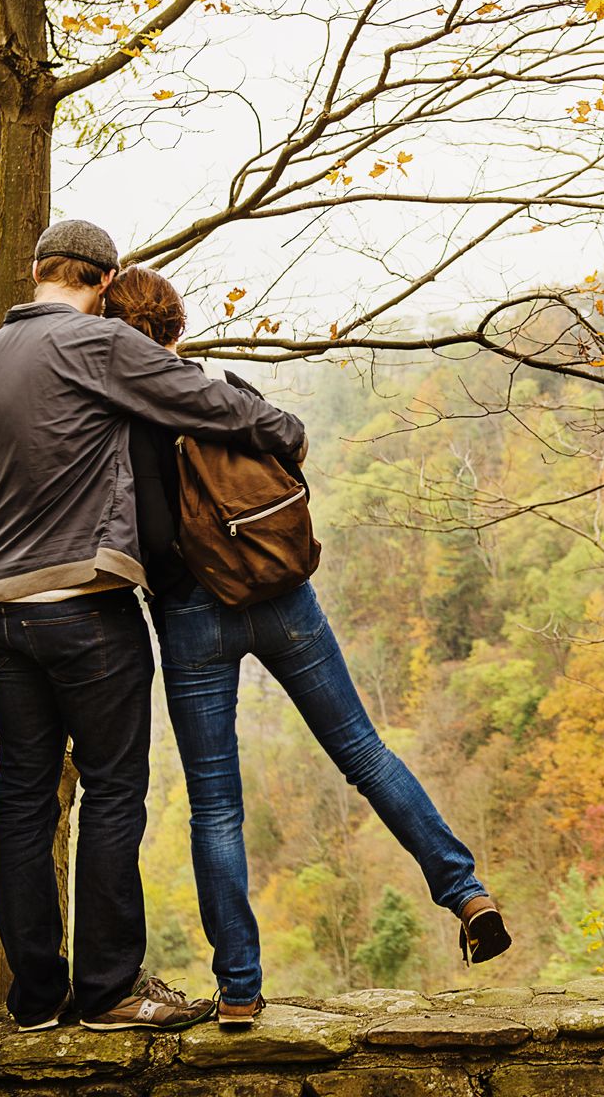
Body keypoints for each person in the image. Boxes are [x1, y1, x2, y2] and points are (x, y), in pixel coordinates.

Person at [0, 220, 306, 1033]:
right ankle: (107, 994)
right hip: (88, 607)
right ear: (103, 278)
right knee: (115, 793)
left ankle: (33, 999)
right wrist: (285, 432)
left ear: (36, 271)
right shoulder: (93, 345)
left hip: (4, 618)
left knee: (24, 801)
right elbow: (209, 402)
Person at [103, 265, 512, 1029]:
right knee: (365, 753)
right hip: (284, 594)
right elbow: (290, 446)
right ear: (177, 330)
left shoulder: (124, 429)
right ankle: (465, 891)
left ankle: (239, 990)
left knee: (215, 805)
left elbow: (147, 535)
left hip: (192, 616)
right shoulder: (218, 388)